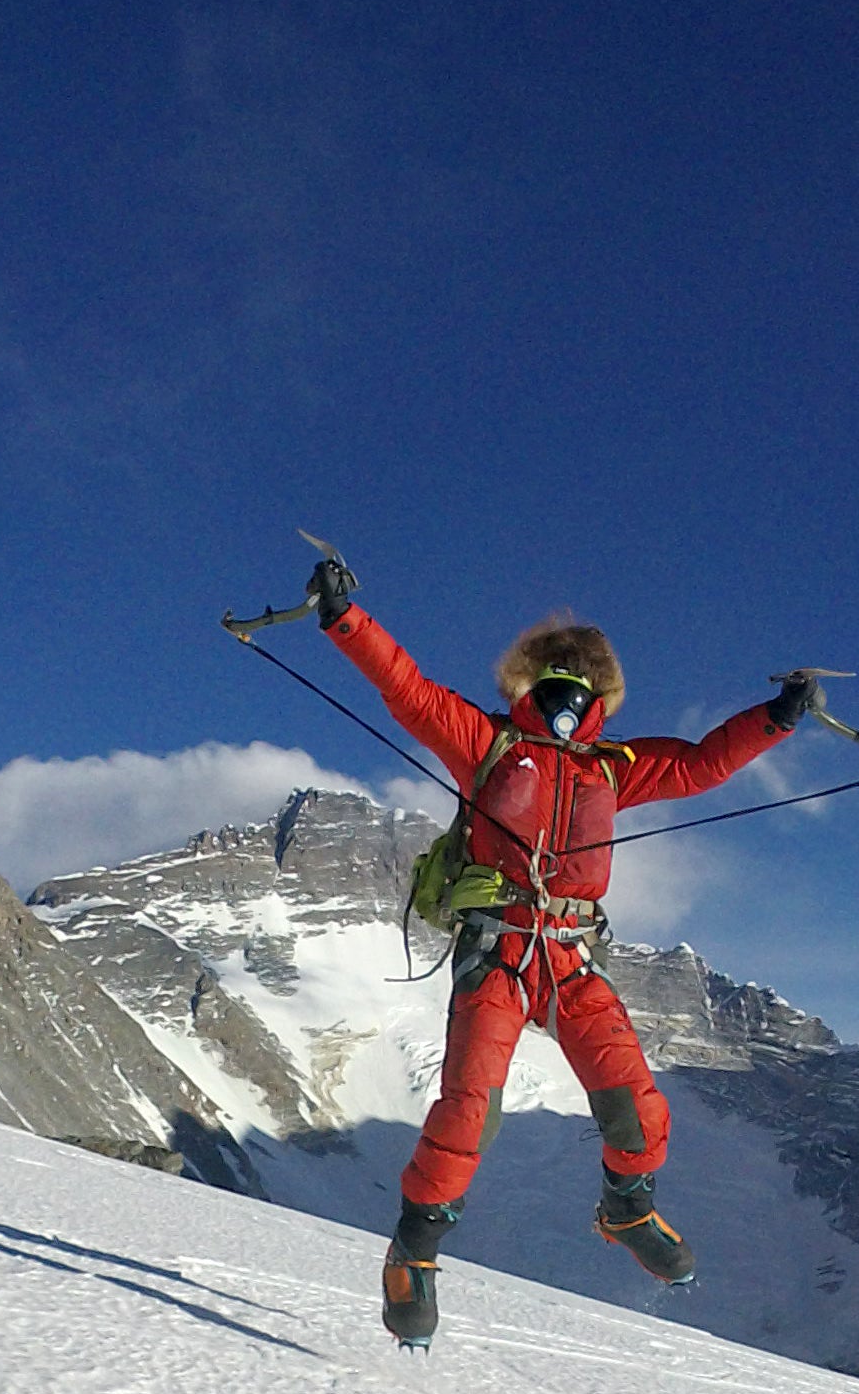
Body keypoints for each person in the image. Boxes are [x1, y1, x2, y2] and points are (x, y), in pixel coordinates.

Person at [306, 553, 821, 1344]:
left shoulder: (610, 768)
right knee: (469, 1108)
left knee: (633, 1100)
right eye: (556, 676)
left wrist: (775, 718)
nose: (566, 694)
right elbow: (403, 689)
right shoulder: (484, 742)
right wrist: (346, 619)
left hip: (570, 957)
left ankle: (625, 1209)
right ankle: (414, 1248)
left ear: (599, 697)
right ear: (527, 681)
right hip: (500, 951)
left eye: (580, 682)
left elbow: (700, 764)